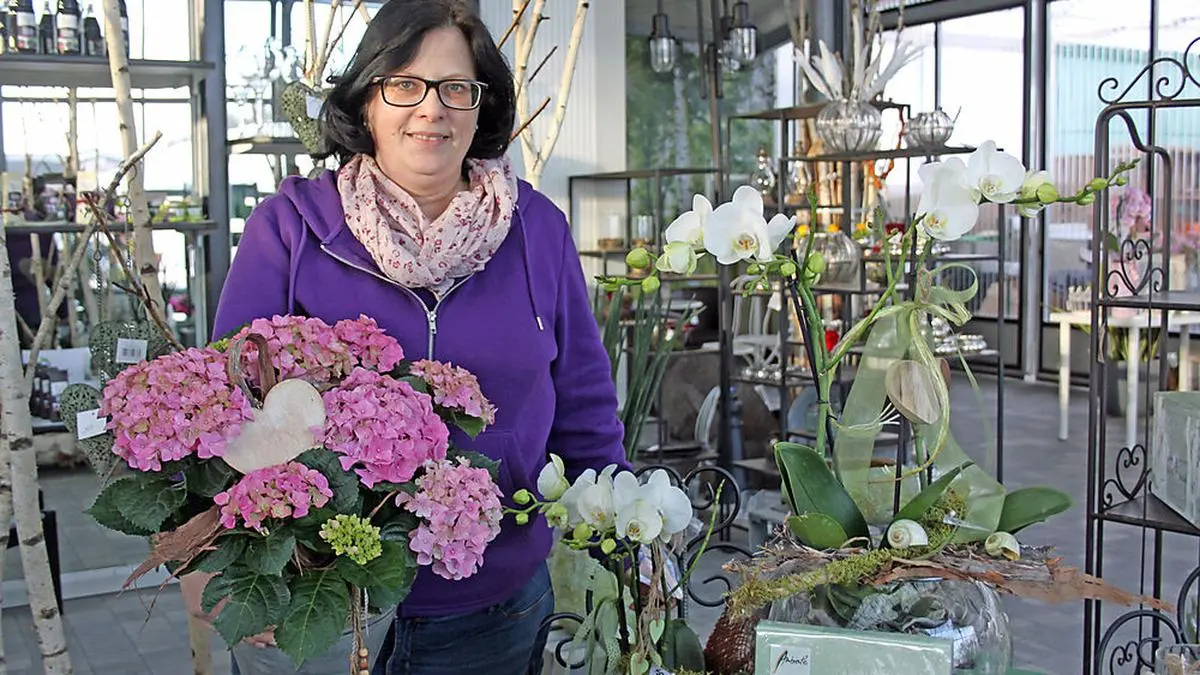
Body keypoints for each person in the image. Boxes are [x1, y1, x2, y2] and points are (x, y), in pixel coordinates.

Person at [186, 1, 628, 673]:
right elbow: (223, 409)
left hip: (493, 608)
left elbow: (585, 405)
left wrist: (622, 536)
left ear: (481, 108)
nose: (432, 108)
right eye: (405, 84)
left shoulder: (537, 230)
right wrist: (226, 563)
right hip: (320, 606)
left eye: (457, 88)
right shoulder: (290, 229)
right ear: (367, 100)